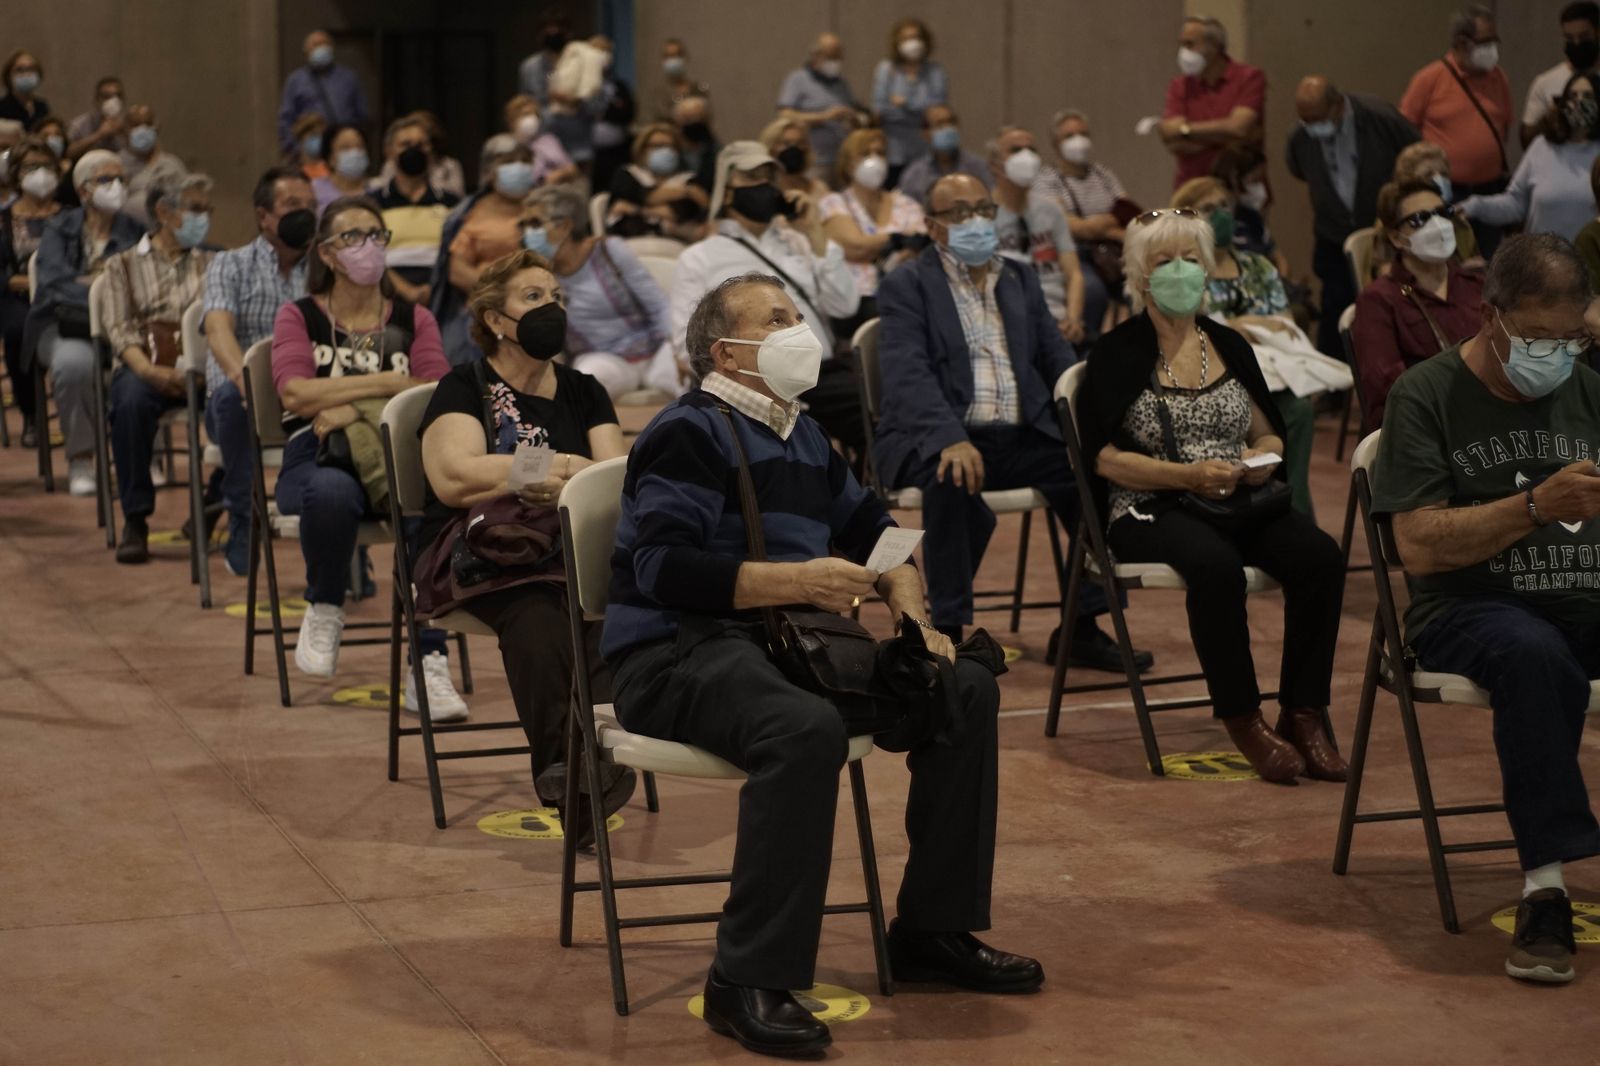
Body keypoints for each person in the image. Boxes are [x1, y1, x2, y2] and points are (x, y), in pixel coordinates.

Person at [605, 270, 1043, 1058]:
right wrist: (798, 580)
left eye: (795, 314)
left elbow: (881, 533)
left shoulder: (803, 432)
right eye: (776, 320)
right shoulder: (689, 431)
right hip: (676, 652)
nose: (798, 329)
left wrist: (916, 617)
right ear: (727, 352)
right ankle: (744, 980)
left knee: (964, 686)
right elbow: (662, 570)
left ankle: (932, 931)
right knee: (800, 730)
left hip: (789, 645)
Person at [1370, 233, 1600, 985]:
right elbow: (1422, 549)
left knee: (1553, 648)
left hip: (1583, 595)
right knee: (1535, 656)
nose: (1559, 354)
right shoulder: (1426, 395)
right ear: (1491, 316)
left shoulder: (1589, 390)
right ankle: (1546, 889)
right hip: (1470, 608)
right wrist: (1535, 504)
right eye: (1541, 338)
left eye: (1575, 338)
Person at [1076, 208, 1347, 784]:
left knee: (1320, 557)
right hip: (1149, 504)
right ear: (1141, 275)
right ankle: (1243, 717)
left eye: (1191, 260)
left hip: (1233, 497)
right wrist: (1188, 476)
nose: (1181, 272)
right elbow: (1102, 458)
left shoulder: (1227, 343)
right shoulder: (1117, 352)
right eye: (1165, 261)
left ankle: (1305, 713)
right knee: (1216, 567)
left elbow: (1268, 430)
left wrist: (1256, 462)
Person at [872, 172, 1139, 671]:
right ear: (933, 226)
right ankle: (945, 632)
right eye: (959, 213)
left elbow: (1057, 358)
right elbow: (907, 374)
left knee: (1096, 476)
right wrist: (950, 438)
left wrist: (1095, 428)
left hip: (1020, 434)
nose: (975, 222)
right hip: (938, 435)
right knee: (951, 476)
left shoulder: (1019, 277)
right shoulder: (906, 284)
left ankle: (1084, 622)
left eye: (983, 210)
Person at [419, 248, 630, 812]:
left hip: (571, 553)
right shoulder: (465, 386)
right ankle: (575, 768)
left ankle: (582, 769)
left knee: (610, 611)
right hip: (488, 558)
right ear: (494, 320)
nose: (551, 308)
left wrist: (546, 473)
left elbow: (612, 479)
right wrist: (557, 465)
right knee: (537, 615)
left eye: (557, 297)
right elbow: (453, 476)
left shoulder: (586, 389)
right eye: (533, 298)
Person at [270, 196, 456, 695]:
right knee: (331, 494)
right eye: (353, 237)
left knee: (428, 505)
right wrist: (390, 385)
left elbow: (436, 391)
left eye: (377, 235)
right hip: (317, 453)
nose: (368, 247)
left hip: (396, 456)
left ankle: (429, 660)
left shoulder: (414, 320)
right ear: (327, 254)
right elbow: (295, 392)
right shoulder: (299, 316)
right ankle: (326, 606)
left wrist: (356, 406)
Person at [668, 141, 862, 450]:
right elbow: (686, 348)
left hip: (820, 375)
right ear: (727, 191)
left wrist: (816, 234)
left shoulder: (799, 242)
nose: (763, 186)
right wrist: (758, 384)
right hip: (751, 382)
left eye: (768, 178)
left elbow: (845, 306)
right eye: (751, 177)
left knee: (885, 398)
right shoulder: (700, 257)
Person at [1173, 178, 1317, 513]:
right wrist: (1251, 325)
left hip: (1271, 374)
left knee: (1298, 411)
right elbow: (1204, 332)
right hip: (1211, 379)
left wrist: (1237, 326)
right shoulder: (1188, 271)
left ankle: (1294, 505)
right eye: (1209, 209)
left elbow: (1283, 327)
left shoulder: (1257, 266)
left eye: (1225, 205)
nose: (1221, 215)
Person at [203, 166, 316, 577]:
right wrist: (244, 380)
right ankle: (241, 513)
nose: (305, 214)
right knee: (233, 402)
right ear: (264, 216)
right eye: (292, 206)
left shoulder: (324, 270)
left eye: (310, 206)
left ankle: (343, 537)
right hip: (239, 401)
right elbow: (217, 331)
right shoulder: (229, 265)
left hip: (302, 400)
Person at [103, 175, 215, 563]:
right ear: (165, 213)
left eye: (207, 210)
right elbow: (119, 329)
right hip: (146, 364)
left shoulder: (215, 263)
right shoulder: (122, 264)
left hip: (204, 366)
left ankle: (213, 504)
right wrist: (149, 372)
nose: (205, 218)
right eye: (196, 209)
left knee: (239, 403)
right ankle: (136, 518)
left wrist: (203, 369)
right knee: (130, 402)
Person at [27, 149, 144, 497]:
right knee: (74, 366)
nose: (117, 187)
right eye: (106, 180)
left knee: (142, 370)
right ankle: (81, 457)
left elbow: (140, 285)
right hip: (65, 325)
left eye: (121, 179)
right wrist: (102, 292)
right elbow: (52, 284)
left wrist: (91, 285)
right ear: (83, 191)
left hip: (121, 327)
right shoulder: (58, 228)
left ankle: (142, 456)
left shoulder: (136, 231)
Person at [1286, 77, 1419, 358]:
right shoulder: (1302, 135)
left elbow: (1415, 156)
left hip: (1381, 231)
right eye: (1305, 121)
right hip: (1332, 233)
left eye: (1317, 119)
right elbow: (1297, 167)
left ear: (1337, 106)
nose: (1311, 127)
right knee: (1334, 307)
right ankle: (1334, 386)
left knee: (1384, 308)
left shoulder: (1379, 117)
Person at [522, 184, 676, 399]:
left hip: (655, 349)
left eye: (535, 223)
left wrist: (677, 349)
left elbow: (658, 305)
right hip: (604, 359)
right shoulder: (539, 275)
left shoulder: (609, 251)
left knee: (675, 374)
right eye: (525, 225)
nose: (528, 233)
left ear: (565, 226)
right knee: (584, 382)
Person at [1353, 179, 1485, 428]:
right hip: (1422, 426)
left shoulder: (1477, 284)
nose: (1438, 225)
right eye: (1419, 219)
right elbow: (1387, 388)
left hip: (1488, 416)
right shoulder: (1378, 300)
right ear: (1396, 238)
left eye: (1442, 213)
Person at [1399, 6, 1512, 255]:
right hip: (1446, 191)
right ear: (1462, 42)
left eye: (1495, 40)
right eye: (1486, 41)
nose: (1493, 48)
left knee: (1489, 260)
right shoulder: (1429, 79)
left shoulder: (1498, 77)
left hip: (1489, 190)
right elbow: (1405, 133)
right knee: (1451, 259)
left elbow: (1504, 126)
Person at [1457, 73, 1600, 245]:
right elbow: (1515, 204)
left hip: (1587, 264)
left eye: (1588, 96)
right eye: (1572, 96)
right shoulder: (1542, 146)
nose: (1579, 102)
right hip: (1539, 260)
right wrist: (1474, 206)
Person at [818, 127, 926, 335]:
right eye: (866, 154)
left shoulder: (906, 204)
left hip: (905, 299)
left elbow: (920, 246)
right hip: (855, 307)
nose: (875, 160)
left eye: (880, 153)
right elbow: (855, 246)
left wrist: (881, 245)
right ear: (849, 164)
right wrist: (898, 239)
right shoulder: (834, 203)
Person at [990, 127, 1090, 344]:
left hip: (1055, 317)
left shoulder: (1051, 210)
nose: (1026, 156)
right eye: (1015, 150)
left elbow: (1074, 275)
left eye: (1031, 149)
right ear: (994, 165)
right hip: (1006, 319)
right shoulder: (984, 216)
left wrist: (1073, 319)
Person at [1, 136, 61, 449]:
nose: (40, 174)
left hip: (63, 296)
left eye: (45, 166)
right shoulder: (4, 219)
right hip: (18, 296)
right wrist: (19, 282)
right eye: (30, 168)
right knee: (17, 331)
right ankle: (31, 414)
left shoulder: (69, 215)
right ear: (16, 174)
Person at [1158, 17, 1265, 188]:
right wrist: (1225, 138)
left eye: (1190, 44)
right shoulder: (1179, 85)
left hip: (1240, 188)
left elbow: (1238, 128)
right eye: (1182, 44)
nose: (1183, 52)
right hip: (1191, 189)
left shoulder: (1249, 78)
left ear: (1214, 47)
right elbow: (1172, 140)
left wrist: (1185, 130)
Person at [373, 115, 460, 308]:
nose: (414, 150)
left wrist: (434, 290)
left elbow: (458, 254)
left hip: (442, 299)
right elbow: (368, 256)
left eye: (421, 145)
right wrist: (407, 291)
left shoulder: (451, 203)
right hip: (387, 299)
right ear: (388, 151)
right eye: (406, 144)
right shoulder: (373, 203)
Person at [872, 19, 948, 190]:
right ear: (897, 42)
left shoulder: (935, 71)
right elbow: (880, 110)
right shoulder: (887, 69)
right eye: (906, 38)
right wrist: (918, 111)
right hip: (893, 150)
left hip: (924, 150)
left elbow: (937, 111)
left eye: (916, 37)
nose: (912, 43)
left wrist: (904, 103)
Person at [776, 33, 861, 185]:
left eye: (837, 57)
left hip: (840, 159)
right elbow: (785, 114)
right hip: (814, 160)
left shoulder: (842, 84)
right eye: (830, 57)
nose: (834, 62)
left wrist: (853, 117)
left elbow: (853, 111)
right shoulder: (798, 79)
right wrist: (825, 116)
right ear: (815, 55)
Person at [605, 122, 707, 243]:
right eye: (657, 146)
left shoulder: (688, 179)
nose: (665, 151)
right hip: (631, 243)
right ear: (642, 150)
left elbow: (677, 213)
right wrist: (685, 192)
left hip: (675, 245)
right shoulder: (627, 174)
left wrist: (635, 210)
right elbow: (641, 198)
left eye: (670, 146)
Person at [1521, 2, 1600, 149]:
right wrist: (1548, 121)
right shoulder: (1545, 82)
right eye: (1570, 38)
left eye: (1583, 37)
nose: (1576, 44)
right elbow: (1527, 140)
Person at [277, 30, 370, 153]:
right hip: (311, 145)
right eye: (315, 45)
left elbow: (362, 114)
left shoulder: (348, 78)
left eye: (324, 44)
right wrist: (294, 148)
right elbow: (286, 118)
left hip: (343, 144)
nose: (321, 48)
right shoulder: (296, 81)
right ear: (306, 51)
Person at [1391, 139, 1481, 262]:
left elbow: (1470, 257)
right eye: (1428, 174)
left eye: (1443, 173)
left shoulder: (1458, 220)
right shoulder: (1393, 221)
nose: (1439, 179)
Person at [1211, 146, 1292, 276]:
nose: (1261, 190)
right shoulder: (1213, 224)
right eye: (1255, 181)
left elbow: (1278, 257)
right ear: (1234, 178)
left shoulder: (1252, 219)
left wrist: (1281, 282)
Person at [896, 104, 990, 208]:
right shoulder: (913, 175)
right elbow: (905, 213)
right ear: (925, 133)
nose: (948, 128)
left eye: (951, 122)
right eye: (940, 124)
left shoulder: (979, 167)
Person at [119, 105, 188, 229]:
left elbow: (186, 204)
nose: (142, 129)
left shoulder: (172, 165)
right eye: (136, 124)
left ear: (156, 127)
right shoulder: (116, 164)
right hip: (127, 233)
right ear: (125, 129)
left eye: (147, 123)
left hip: (165, 233)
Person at [503, 95, 579, 187]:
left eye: (535, 114)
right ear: (512, 119)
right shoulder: (503, 145)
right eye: (526, 114)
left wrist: (559, 174)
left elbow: (572, 169)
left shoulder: (548, 141)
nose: (532, 119)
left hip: (547, 193)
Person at [758, 117, 832, 204]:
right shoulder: (763, 193)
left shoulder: (820, 189)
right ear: (771, 149)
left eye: (800, 143)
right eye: (786, 143)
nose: (794, 149)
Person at [311, 123, 372, 214]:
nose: (355, 153)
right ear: (330, 158)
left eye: (360, 146)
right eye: (345, 148)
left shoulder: (377, 191)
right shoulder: (314, 191)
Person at [65, 76, 127, 158]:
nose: (113, 101)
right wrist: (99, 134)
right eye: (107, 96)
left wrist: (125, 132)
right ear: (97, 100)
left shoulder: (126, 123)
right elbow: (69, 152)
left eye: (118, 96)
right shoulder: (80, 124)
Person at [673, 92, 720, 193]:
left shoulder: (718, 153)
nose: (693, 123)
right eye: (687, 118)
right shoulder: (671, 150)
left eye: (698, 118)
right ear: (677, 121)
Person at [654, 38, 709, 122]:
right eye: (669, 56)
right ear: (663, 60)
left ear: (685, 57)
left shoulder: (697, 89)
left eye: (678, 55)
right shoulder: (659, 93)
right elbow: (660, 119)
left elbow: (707, 117)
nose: (674, 60)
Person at [517, 18, 568, 107]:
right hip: (541, 118)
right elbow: (524, 103)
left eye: (557, 27)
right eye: (549, 28)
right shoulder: (529, 67)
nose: (553, 31)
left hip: (573, 119)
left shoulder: (580, 64)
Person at [0, 52, 49, 129]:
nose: (26, 74)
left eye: (31, 69)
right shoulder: (2, 107)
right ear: (8, 76)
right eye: (19, 70)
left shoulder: (42, 107)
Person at [286, 112, 329, 181]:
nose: (319, 140)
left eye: (322, 135)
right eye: (314, 135)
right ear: (301, 137)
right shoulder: (290, 172)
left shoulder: (332, 169)